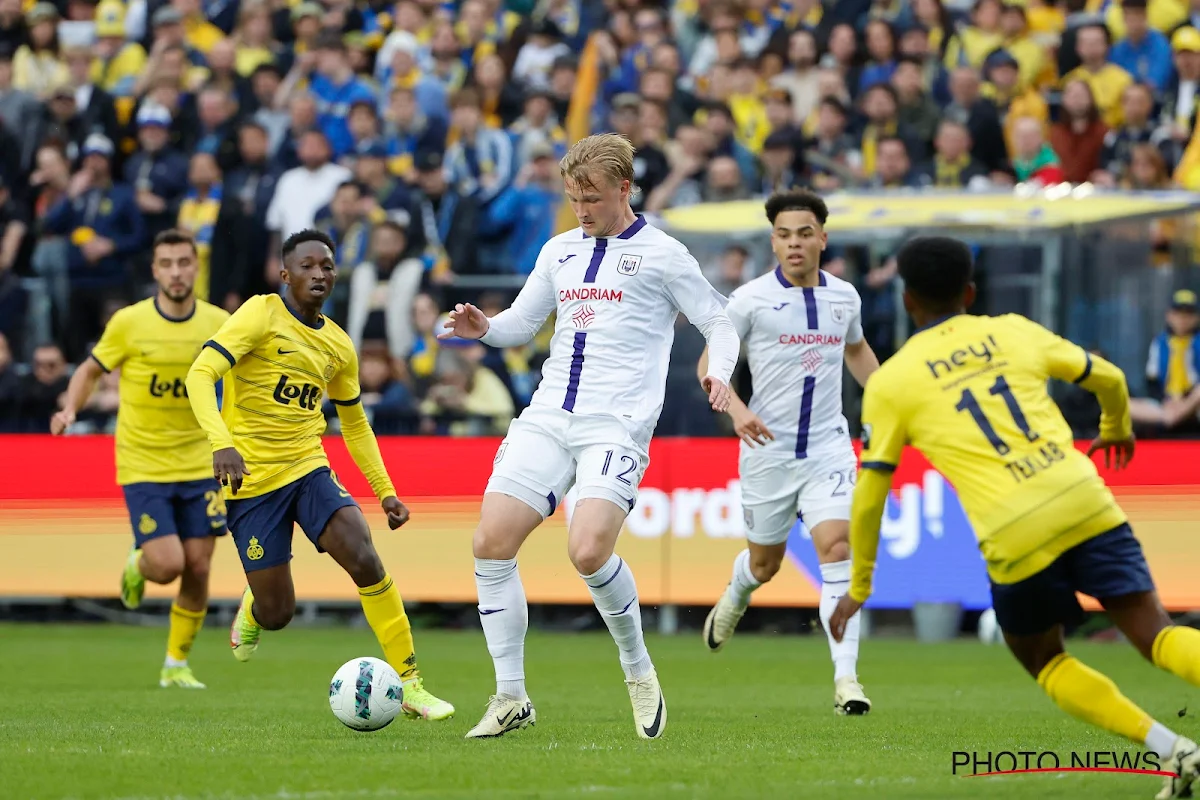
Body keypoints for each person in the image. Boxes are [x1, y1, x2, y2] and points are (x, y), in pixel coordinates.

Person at [828, 237, 1200, 800]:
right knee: (1157, 634)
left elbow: (871, 494)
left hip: (1014, 530)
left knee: (1044, 658)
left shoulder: (891, 384)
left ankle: (1172, 749)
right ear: (970, 292)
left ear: (907, 300)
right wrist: (1117, 427)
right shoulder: (1013, 330)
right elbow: (1112, 381)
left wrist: (859, 586)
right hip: (1082, 497)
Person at [439, 132, 740, 740]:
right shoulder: (559, 251)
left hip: (617, 426)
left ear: (625, 188)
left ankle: (637, 668)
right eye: (574, 197)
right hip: (549, 415)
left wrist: (722, 376)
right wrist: (484, 327)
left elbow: (720, 319)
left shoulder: (664, 255)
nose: (582, 209)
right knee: (490, 543)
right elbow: (521, 326)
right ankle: (510, 697)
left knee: (587, 551)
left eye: (593, 198)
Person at [184, 228, 454, 722]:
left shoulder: (338, 345)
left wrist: (386, 492)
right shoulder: (260, 313)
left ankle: (412, 683)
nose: (319, 273)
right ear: (286, 274)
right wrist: (221, 443)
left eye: (327, 265)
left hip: (308, 468)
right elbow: (199, 374)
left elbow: (354, 424)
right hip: (252, 484)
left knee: (364, 555)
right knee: (278, 612)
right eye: (307, 265)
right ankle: (255, 608)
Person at [697, 190, 880, 715]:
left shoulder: (845, 297)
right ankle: (737, 593)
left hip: (829, 448)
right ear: (773, 242)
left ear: (823, 238)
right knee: (765, 564)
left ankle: (847, 680)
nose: (795, 243)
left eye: (804, 233)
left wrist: (890, 399)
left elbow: (857, 349)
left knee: (838, 548)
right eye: (784, 235)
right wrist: (736, 411)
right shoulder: (749, 301)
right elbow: (711, 367)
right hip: (767, 452)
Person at [50, 229, 230, 689]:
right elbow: (91, 369)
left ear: (196, 266)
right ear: (154, 270)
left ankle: (176, 664)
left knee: (201, 565)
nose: (175, 272)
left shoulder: (218, 323)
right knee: (168, 565)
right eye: (166, 263)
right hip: (144, 462)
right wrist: (71, 407)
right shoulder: (129, 323)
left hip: (200, 462)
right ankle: (138, 564)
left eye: (183, 262)